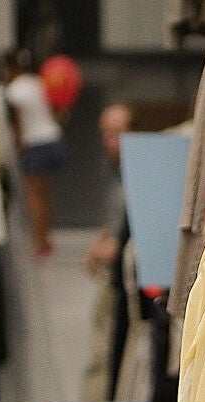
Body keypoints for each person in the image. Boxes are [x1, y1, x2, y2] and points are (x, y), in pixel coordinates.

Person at [3, 50, 66, 258]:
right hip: (53, 139)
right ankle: (46, 238)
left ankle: (39, 243)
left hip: (36, 144)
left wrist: (18, 148)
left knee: (34, 196)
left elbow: (19, 123)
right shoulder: (38, 82)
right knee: (44, 194)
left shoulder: (14, 89)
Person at [85, 101, 135, 276]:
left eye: (114, 133)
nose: (107, 140)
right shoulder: (114, 171)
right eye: (104, 133)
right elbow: (115, 220)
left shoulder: (140, 176)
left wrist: (107, 248)